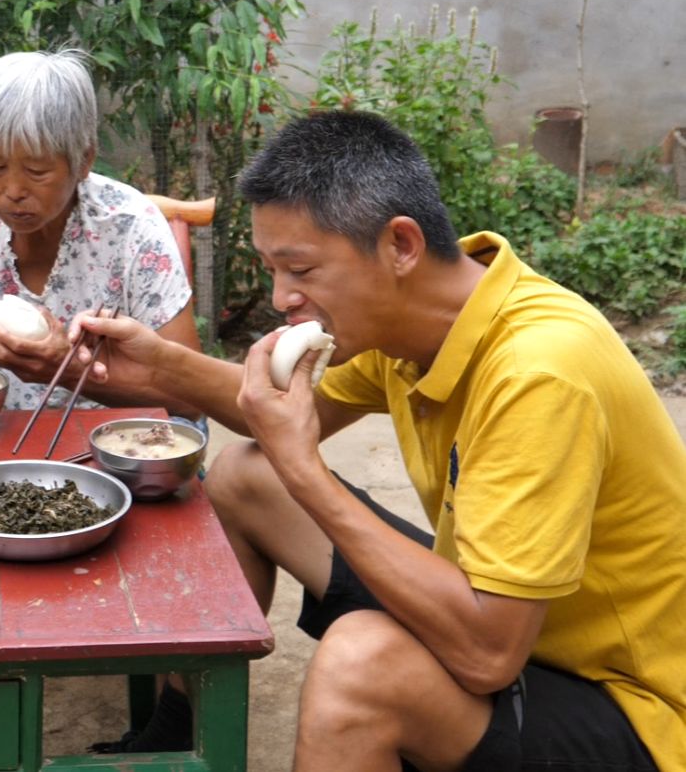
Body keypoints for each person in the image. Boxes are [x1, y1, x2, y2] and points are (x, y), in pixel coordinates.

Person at [74, 111, 686, 769]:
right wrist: (161, 364)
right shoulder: (412, 325)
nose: (282, 298)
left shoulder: (539, 372)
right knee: (245, 477)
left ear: (400, 244)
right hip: (501, 614)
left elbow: (487, 656)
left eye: (301, 269)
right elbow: (272, 415)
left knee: (363, 665)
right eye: (273, 269)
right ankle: (174, 732)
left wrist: (307, 471)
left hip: (626, 705)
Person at [0, 49, 201, 414]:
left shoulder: (131, 226)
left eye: (38, 171)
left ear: (84, 160)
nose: (13, 190)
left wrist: (73, 372)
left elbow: (190, 397)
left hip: (111, 441)